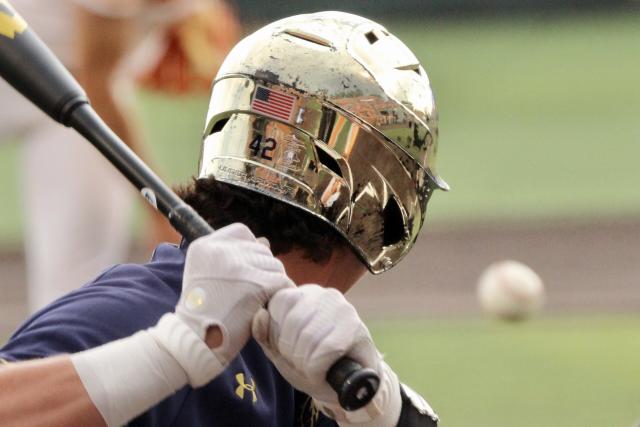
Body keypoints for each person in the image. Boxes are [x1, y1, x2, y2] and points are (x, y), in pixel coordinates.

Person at [0, 11, 446, 427]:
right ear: (387, 209)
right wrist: (167, 354)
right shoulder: (137, 314)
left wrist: (382, 411)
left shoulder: (310, 362)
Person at [0, 0, 239, 312]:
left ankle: (54, 354)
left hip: (63, 84)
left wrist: (181, 18)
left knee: (76, 285)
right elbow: (99, 83)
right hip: (65, 82)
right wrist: (162, 207)